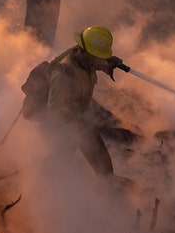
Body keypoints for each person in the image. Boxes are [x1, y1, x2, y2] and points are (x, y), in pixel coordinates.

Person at [40, 25, 125, 181]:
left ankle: (107, 192)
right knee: (59, 171)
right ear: (83, 51)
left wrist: (109, 64)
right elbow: (54, 113)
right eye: (96, 57)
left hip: (84, 124)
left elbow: (98, 64)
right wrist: (81, 115)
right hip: (65, 128)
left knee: (104, 168)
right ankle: (51, 197)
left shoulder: (87, 61)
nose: (98, 61)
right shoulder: (62, 73)